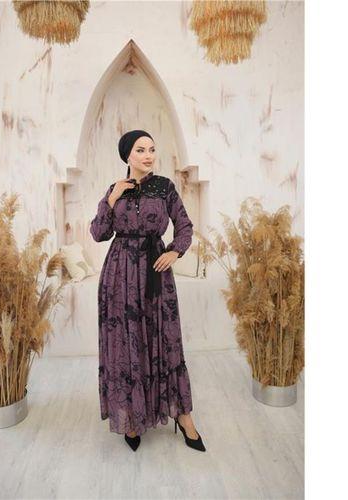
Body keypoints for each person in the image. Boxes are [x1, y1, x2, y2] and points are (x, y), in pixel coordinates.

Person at [90, 130, 206, 452]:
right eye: (141, 150)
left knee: (165, 340)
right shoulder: (114, 190)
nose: (148, 155)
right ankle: (131, 416)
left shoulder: (165, 187)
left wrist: (175, 251)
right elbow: (99, 233)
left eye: (152, 149)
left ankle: (183, 416)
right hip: (119, 276)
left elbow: (184, 226)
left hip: (155, 273)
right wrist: (111, 199)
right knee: (127, 344)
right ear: (127, 155)